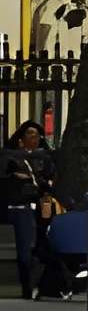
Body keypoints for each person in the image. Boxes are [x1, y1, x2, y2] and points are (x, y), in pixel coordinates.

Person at [0, 123, 50, 299]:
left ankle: (35, 284)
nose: (34, 139)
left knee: (37, 245)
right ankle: (28, 286)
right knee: (25, 248)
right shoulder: (11, 158)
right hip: (21, 207)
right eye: (30, 134)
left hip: (37, 206)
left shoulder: (40, 158)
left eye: (37, 135)